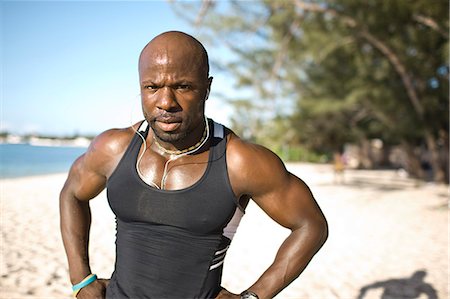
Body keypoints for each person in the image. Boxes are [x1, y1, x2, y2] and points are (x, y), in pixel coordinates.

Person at [60, 31, 328, 299]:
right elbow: (72, 193)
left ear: (207, 88)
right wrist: (81, 280)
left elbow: (311, 225)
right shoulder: (113, 148)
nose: (166, 102)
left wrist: (253, 296)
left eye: (182, 87)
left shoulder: (239, 161)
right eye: (152, 87)